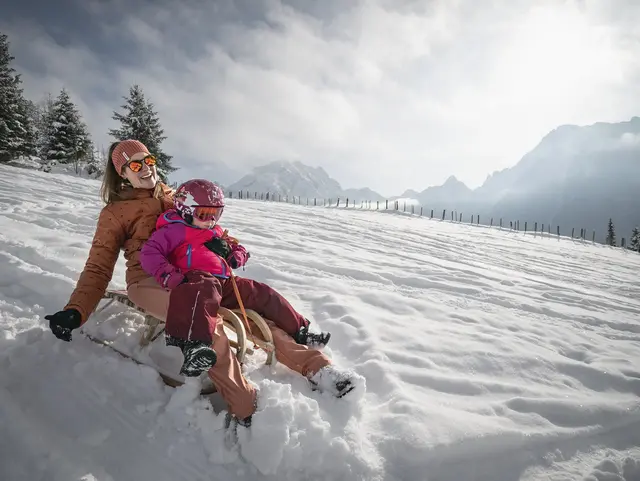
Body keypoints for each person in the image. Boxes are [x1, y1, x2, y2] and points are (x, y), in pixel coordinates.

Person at [44, 139, 363, 429]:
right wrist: (76, 311)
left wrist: (228, 248)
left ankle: (319, 369)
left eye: (149, 160)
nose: (147, 169)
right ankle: (245, 404)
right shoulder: (115, 213)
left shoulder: (175, 196)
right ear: (122, 173)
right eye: (136, 165)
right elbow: (98, 267)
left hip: (202, 276)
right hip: (149, 280)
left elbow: (212, 230)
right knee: (210, 327)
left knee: (255, 316)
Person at [138, 178, 332, 378]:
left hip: (225, 284)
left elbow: (239, 247)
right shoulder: (174, 230)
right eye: (204, 214)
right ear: (185, 210)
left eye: (216, 214)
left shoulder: (215, 231)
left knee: (261, 291)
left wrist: (235, 255)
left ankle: (299, 329)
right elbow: (149, 254)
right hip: (196, 282)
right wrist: (170, 276)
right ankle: (194, 347)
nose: (211, 220)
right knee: (202, 289)